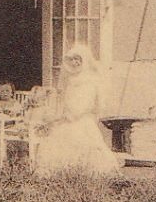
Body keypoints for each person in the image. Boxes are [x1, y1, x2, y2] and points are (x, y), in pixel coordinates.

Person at [30, 43, 120, 176]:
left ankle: (83, 173)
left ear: (84, 60)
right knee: (55, 141)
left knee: (85, 144)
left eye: (78, 59)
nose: (74, 62)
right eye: (71, 59)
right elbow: (66, 99)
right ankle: (64, 173)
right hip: (67, 118)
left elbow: (86, 103)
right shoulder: (70, 79)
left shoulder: (90, 80)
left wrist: (69, 115)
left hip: (81, 119)